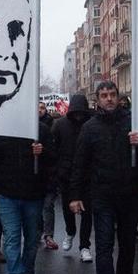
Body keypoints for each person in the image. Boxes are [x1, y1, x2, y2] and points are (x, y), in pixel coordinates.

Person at [69, 81, 138, 274]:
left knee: (126, 245)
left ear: (118, 96)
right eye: (104, 95)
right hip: (102, 196)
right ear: (98, 99)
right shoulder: (90, 128)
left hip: (129, 195)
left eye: (112, 94)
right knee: (103, 247)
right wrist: (74, 195)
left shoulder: (132, 123)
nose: (109, 99)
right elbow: (80, 163)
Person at [0, 120, 53, 274]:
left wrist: (43, 153)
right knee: (12, 236)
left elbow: (55, 158)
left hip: (34, 194)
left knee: (31, 238)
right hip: (8, 194)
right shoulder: (2, 130)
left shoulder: (42, 130)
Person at [51, 92, 93, 258]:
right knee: (68, 209)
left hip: (87, 175)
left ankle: (84, 246)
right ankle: (70, 231)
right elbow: (54, 148)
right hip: (66, 175)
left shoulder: (90, 124)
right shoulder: (60, 125)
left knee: (87, 212)